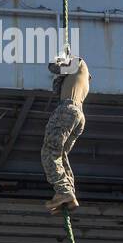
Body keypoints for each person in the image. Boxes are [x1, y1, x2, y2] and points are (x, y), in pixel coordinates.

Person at [41, 54, 90, 213]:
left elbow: (53, 67)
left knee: (50, 152)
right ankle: (68, 193)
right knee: (61, 155)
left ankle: (63, 191)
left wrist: (58, 58)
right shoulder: (82, 79)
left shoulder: (78, 63)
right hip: (78, 115)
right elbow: (57, 88)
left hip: (67, 110)